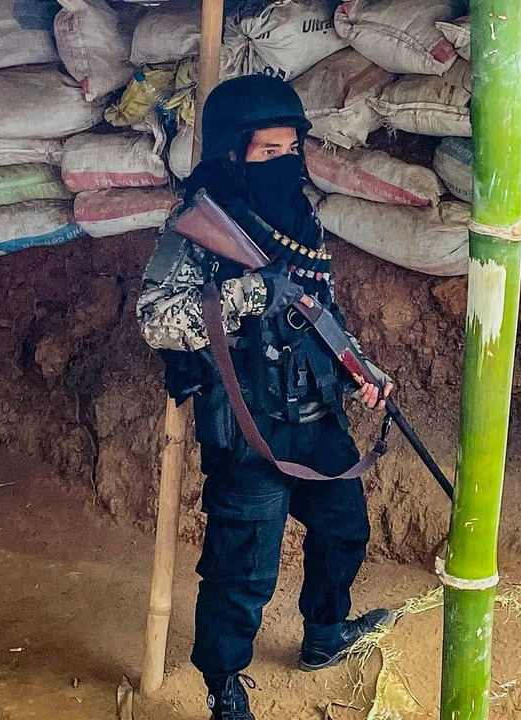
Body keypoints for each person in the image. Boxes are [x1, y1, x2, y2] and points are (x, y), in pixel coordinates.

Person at [136, 75, 395, 720]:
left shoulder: (298, 219)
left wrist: (359, 368)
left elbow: (322, 310)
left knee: (344, 529)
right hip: (246, 429)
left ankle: (324, 633)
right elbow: (155, 318)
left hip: (314, 414)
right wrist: (246, 297)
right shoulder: (198, 225)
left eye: (289, 150)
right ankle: (224, 685)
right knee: (242, 572)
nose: (283, 163)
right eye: (266, 152)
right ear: (231, 153)